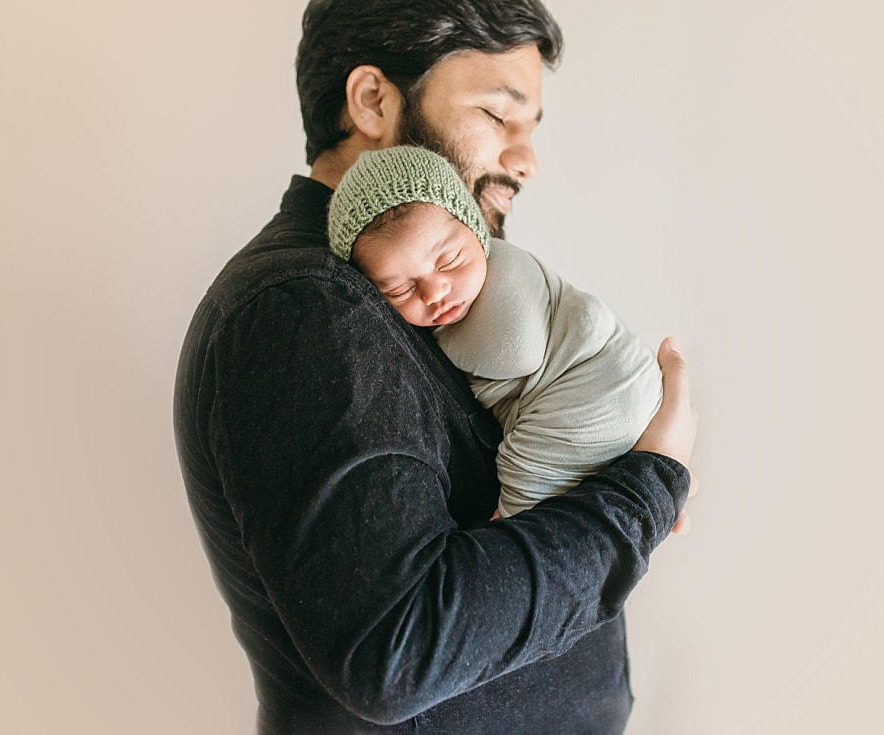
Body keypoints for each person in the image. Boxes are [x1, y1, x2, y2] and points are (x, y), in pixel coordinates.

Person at [173, 1, 699, 733]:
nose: (526, 160)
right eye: (497, 114)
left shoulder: (400, 303)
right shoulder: (307, 308)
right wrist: (644, 495)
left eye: (531, 129)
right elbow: (398, 651)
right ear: (372, 101)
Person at [327, 145, 663, 519]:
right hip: (621, 405)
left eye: (449, 260)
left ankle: (508, 519)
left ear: (474, 226)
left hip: (597, 390)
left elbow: (517, 351)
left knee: (527, 466)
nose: (434, 292)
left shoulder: (506, 276)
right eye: (399, 289)